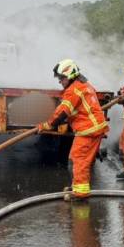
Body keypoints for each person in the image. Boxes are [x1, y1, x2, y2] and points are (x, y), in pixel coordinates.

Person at [40, 59, 108, 201]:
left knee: (78, 159)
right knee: (78, 159)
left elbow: (62, 112)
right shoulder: (83, 85)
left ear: (70, 75)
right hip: (91, 128)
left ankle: (81, 194)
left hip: (89, 130)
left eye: (61, 78)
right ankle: (78, 186)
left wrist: (47, 125)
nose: (60, 81)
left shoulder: (73, 90)